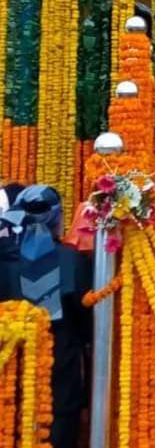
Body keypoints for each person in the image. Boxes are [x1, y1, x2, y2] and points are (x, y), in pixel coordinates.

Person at [0, 185, 92, 448]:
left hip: (12, 370)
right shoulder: (70, 261)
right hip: (61, 370)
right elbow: (86, 322)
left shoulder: (5, 261)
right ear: (57, 217)